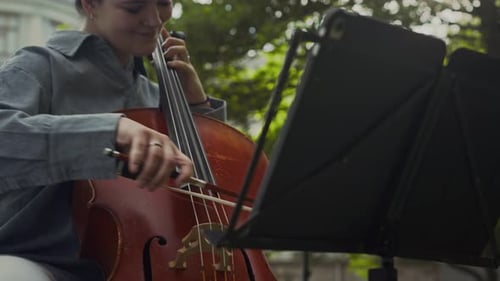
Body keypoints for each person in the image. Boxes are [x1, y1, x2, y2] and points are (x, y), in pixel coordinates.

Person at [0, 0, 226, 280]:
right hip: (41, 263)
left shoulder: (159, 97)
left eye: (164, 3)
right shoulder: (39, 65)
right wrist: (110, 131)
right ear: (91, 4)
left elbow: (208, 191)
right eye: (134, 8)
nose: (155, 20)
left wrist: (197, 106)